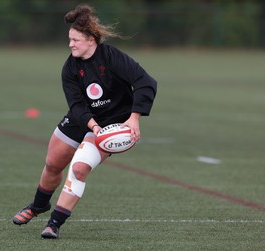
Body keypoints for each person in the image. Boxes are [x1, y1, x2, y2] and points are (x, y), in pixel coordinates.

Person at [12, 4, 157, 239]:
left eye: (75, 40)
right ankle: (39, 205)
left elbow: (145, 82)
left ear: (91, 40)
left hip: (113, 122)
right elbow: (77, 106)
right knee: (52, 164)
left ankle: (54, 224)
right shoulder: (69, 68)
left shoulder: (111, 57)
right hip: (83, 119)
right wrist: (93, 126)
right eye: (69, 39)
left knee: (78, 168)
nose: (70, 44)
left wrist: (134, 119)